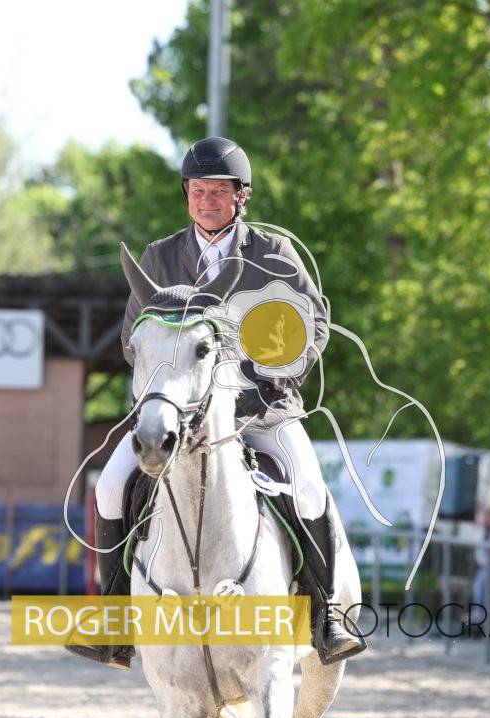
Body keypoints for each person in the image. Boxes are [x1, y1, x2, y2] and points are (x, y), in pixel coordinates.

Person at [67, 136, 364, 669]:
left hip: (261, 410)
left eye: (219, 191)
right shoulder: (159, 258)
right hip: (180, 415)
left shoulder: (274, 255)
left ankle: (326, 618)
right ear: (186, 195)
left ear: (241, 196)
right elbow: (133, 337)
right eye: (198, 191)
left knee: (308, 486)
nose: (207, 201)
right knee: (110, 488)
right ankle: (113, 622)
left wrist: (273, 376)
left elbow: (312, 325)